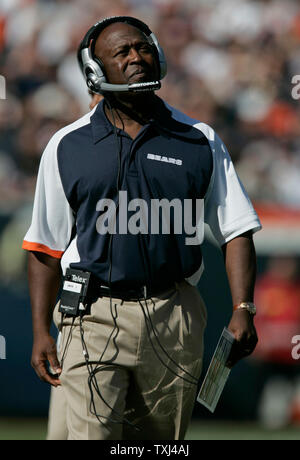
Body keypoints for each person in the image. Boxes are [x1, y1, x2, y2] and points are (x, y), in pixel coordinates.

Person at [23, 16, 261, 441]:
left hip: (174, 312)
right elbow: (45, 246)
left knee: (160, 445)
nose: (137, 57)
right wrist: (42, 329)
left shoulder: (199, 139)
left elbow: (236, 229)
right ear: (95, 72)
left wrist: (243, 307)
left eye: (143, 47)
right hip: (91, 314)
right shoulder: (66, 145)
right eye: (122, 52)